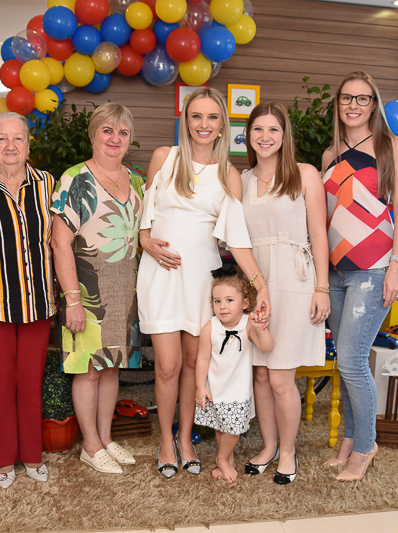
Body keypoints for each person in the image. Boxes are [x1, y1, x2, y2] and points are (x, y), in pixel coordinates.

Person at [137, 87, 271, 479]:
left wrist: (259, 284)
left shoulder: (229, 174)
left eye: (212, 117)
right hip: (161, 275)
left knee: (195, 364)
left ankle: (185, 439)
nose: (204, 124)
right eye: (196, 116)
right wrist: (145, 240)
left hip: (202, 282)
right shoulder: (165, 157)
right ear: (186, 120)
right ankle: (165, 441)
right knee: (167, 365)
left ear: (223, 125)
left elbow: (237, 238)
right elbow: (145, 215)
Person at [321, 71, 398, 481]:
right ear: (338, 103)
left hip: (374, 269)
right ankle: (349, 438)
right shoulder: (330, 153)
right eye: (346, 98)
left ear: (373, 104)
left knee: (353, 360)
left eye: (362, 98)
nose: (353, 105)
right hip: (337, 271)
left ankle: (365, 447)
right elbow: (325, 216)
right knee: (345, 361)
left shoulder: (392, 146)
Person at [240, 102, 331, 485]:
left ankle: (289, 451)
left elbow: (319, 234)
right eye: (258, 129)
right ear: (248, 135)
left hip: (294, 281)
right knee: (260, 376)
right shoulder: (242, 180)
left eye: (273, 130)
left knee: (280, 378)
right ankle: (269, 446)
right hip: (255, 281)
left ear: (284, 135)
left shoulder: (304, 173)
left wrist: (322, 287)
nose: (265, 137)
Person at [50, 103, 143, 475]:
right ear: (93, 135)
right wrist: (72, 299)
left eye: (122, 132)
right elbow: (59, 243)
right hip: (86, 293)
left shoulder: (137, 181)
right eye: (107, 130)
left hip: (124, 293)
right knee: (87, 369)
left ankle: (105, 438)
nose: (115, 138)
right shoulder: (75, 179)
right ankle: (90, 445)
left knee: (111, 368)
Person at [0, 112, 57, 488]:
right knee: (0, 382)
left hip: (38, 302)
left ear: (28, 143)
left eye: (18, 138)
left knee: (30, 381)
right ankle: (2, 459)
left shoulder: (48, 184)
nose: (10, 146)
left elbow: (59, 242)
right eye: (2, 138)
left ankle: (32, 455)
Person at [194, 273, 274, 483]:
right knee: (221, 426)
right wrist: (200, 387)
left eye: (229, 300)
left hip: (237, 390)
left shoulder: (247, 325)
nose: (222, 306)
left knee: (233, 429)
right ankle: (227, 458)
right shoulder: (210, 327)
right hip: (216, 388)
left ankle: (221, 458)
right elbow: (202, 359)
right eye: (217, 301)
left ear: (245, 303)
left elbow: (267, 347)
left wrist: (261, 331)